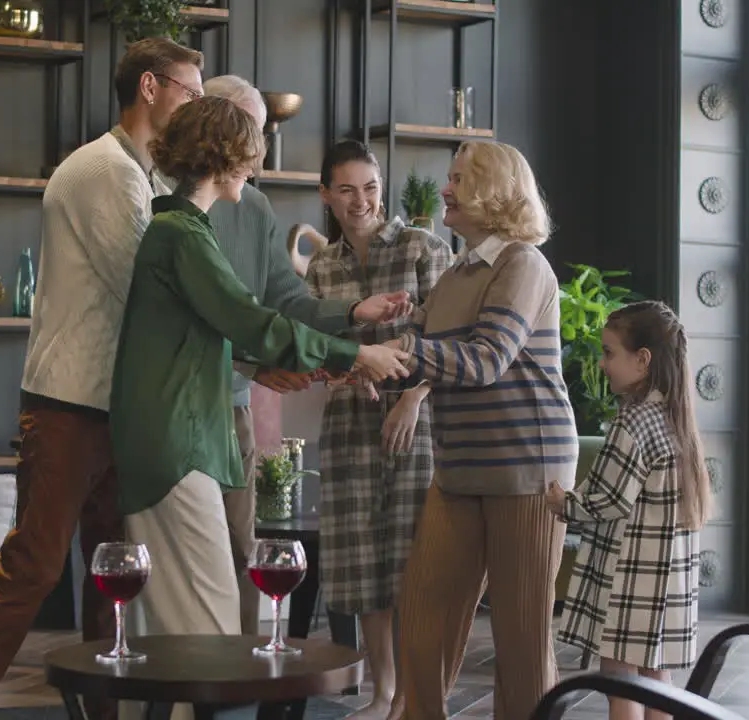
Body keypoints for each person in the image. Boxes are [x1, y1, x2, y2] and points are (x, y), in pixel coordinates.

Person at [0, 37, 204, 720]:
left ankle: (99, 708)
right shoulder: (105, 170)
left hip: (117, 407)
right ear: (150, 86)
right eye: (191, 93)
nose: (197, 107)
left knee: (111, 570)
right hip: (69, 406)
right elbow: (145, 285)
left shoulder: (145, 174)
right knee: (35, 567)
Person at [108, 96, 412, 697]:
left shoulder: (177, 230)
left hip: (175, 437)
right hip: (176, 442)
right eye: (248, 158)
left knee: (173, 622)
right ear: (222, 160)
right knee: (210, 619)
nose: (254, 170)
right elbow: (255, 323)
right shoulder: (182, 237)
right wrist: (359, 353)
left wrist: (330, 346)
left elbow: (245, 326)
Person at [201, 75, 413, 635]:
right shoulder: (171, 211)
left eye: (257, 133)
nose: (255, 149)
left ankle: (239, 681)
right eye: (245, 131)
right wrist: (347, 355)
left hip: (235, 408)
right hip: (181, 407)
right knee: (192, 561)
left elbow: (286, 301)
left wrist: (352, 314)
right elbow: (223, 317)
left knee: (240, 546)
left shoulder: (256, 207)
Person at [384, 140, 578, 719]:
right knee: (422, 616)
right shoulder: (456, 272)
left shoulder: (522, 264)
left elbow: (486, 359)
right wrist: (361, 369)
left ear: (493, 190)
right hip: (461, 468)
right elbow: (414, 353)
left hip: (528, 469)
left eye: (458, 178)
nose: (444, 188)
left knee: (521, 640)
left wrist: (403, 353)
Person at [305, 140, 452, 720]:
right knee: (364, 564)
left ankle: (416, 696)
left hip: (415, 424)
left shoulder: (424, 248)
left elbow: (450, 341)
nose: (361, 200)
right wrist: (346, 373)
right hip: (347, 426)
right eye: (346, 189)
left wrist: (413, 398)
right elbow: (317, 348)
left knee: (413, 563)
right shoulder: (322, 267)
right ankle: (383, 692)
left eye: (369, 186)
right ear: (326, 196)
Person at [544, 300, 712, 720]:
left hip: (633, 576)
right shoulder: (674, 419)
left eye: (609, 353)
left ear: (643, 360)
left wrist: (562, 501)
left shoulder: (632, 422)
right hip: (666, 574)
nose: (602, 363)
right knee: (656, 677)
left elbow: (605, 498)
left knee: (618, 678)